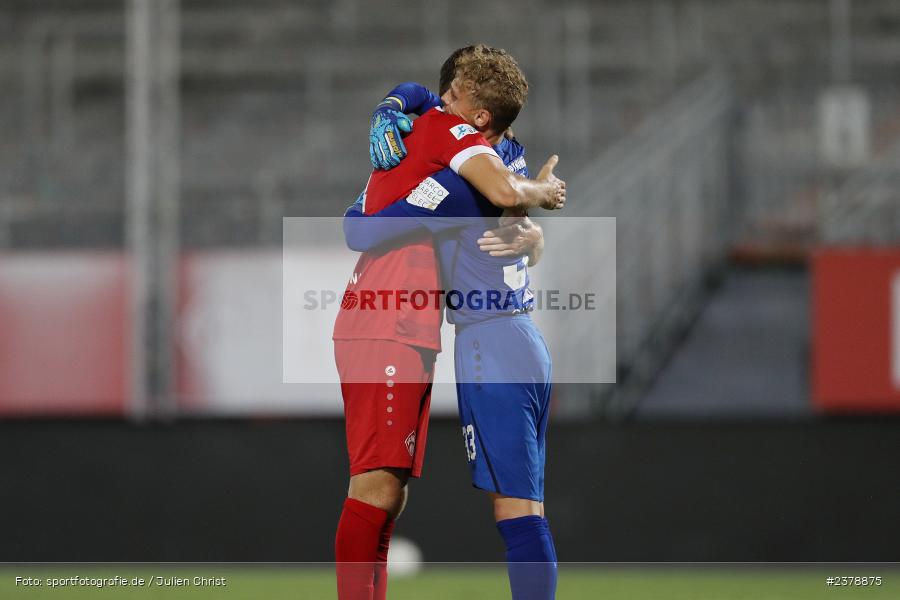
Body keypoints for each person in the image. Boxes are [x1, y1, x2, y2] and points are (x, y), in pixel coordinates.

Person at [332, 45, 564, 600]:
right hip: (518, 340)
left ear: (476, 119)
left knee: (513, 510)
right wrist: (535, 233)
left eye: (452, 97)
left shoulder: (457, 175)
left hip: (487, 342)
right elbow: (508, 200)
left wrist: (538, 205)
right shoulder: (511, 152)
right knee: (396, 493)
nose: (438, 105)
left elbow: (360, 229)